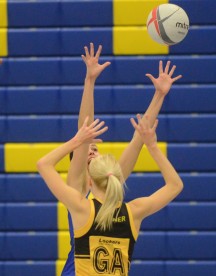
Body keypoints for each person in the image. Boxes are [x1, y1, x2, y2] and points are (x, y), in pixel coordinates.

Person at [61, 43, 183, 275]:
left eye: (96, 148)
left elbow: (139, 139)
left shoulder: (112, 183)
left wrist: (159, 95)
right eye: (88, 148)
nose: (92, 150)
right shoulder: (77, 190)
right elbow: (84, 128)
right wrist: (89, 81)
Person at [37, 112, 183, 275]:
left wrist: (77, 141)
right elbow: (175, 185)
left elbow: (43, 164)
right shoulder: (133, 211)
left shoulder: (82, 207)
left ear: (91, 179)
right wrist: (153, 146)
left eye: (95, 150)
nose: (91, 153)